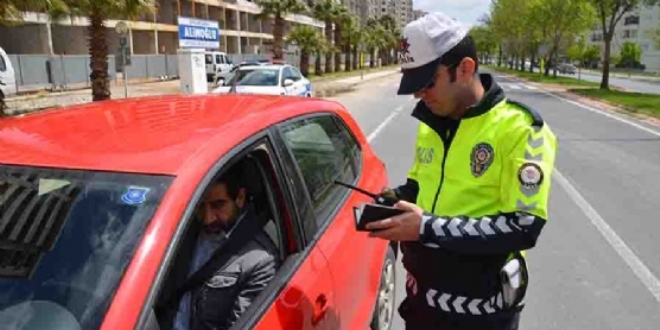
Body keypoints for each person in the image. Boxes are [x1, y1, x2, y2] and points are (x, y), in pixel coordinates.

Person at [365, 12, 558, 330]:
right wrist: (391, 200)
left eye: (426, 82)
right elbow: (420, 185)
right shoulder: (432, 122)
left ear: (465, 68)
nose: (418, 94)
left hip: (482, 312)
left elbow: (523, 227)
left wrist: (426, 227)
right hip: (421, 301)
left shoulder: (522, 130)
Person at [173, 164, 280, 330]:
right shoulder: (181, 231)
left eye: (218, 205)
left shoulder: (261, 262)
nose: (208, 219)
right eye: (200, 206)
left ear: (240, 198)